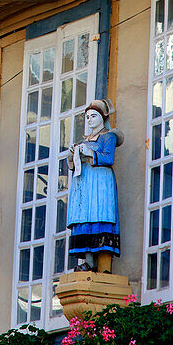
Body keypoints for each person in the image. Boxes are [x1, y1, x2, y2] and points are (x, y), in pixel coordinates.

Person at [66, 99, 123, 273]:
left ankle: (104, 265)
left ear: (102, 117)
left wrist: (88, 152)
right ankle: (88, 262)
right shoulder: (84, 139)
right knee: (85, 219)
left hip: (100, 183)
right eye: (87, 117)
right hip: (84, 183)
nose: (89, 120)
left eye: (93, 116)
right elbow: (72, 165)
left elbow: (108, 158)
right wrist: (72, 155)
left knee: (101, 216)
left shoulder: (109, 136)